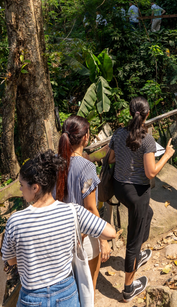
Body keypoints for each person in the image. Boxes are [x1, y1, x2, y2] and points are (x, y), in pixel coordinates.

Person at [1, 150, 117, 307]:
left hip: (32, 297)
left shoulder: (15, 221)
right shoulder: (72, 211)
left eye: (22, 185)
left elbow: (11, 260)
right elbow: (111, 233)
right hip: (66, 293)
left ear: (35, 187)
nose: (21, 190)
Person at [108, 97, 176, 302]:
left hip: (119, 187)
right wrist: (167, 155)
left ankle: (138, 253)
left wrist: (127, 158)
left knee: (149, 213)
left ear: (131, 112)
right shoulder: (147, 140)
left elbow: (111, 158)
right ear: (147, 114)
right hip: (137, 194)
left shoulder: (119, 133)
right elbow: (151, 172)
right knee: (133, 241)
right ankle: (128, 289)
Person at [55, 116, 111, 291]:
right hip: (84, 237)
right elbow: (90, 207)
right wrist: (103, 240)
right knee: (88, 290)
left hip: (60, 236)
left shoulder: (54, 164)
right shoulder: (87, 168)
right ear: (85, 137)